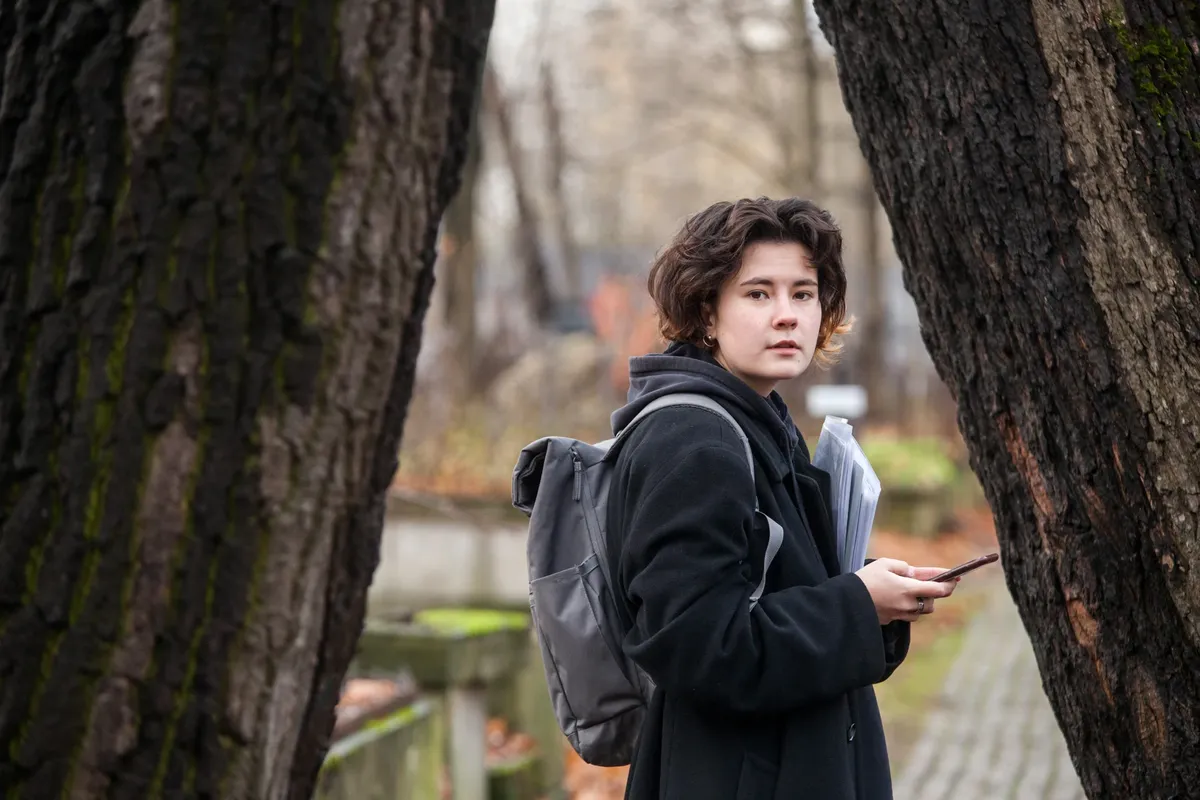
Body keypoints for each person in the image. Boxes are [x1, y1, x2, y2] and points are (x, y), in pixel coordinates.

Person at [604, 197, 958, 799]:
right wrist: (856, 603)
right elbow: (700, 647)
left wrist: (874, 595)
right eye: (758, 293)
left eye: (803, 293)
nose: (788, 315)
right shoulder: (695, 442)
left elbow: (770, 589)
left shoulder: (755, 416)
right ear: (707, 312)